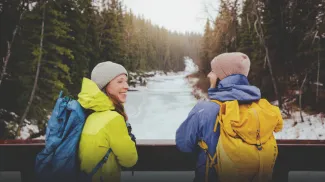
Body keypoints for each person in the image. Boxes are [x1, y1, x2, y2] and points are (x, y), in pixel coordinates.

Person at [175, 52, 283, 182]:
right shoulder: (262, 109)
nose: (209, 74)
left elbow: (184, 144)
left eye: (213, 71)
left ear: (222, 77)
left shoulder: (205, 110)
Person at [77, 61, 138, 182]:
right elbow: (129, 160)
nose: (126, 86)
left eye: (126, 81)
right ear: (105, 86)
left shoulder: (91, 114)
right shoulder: (113, 119)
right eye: (120, 81)